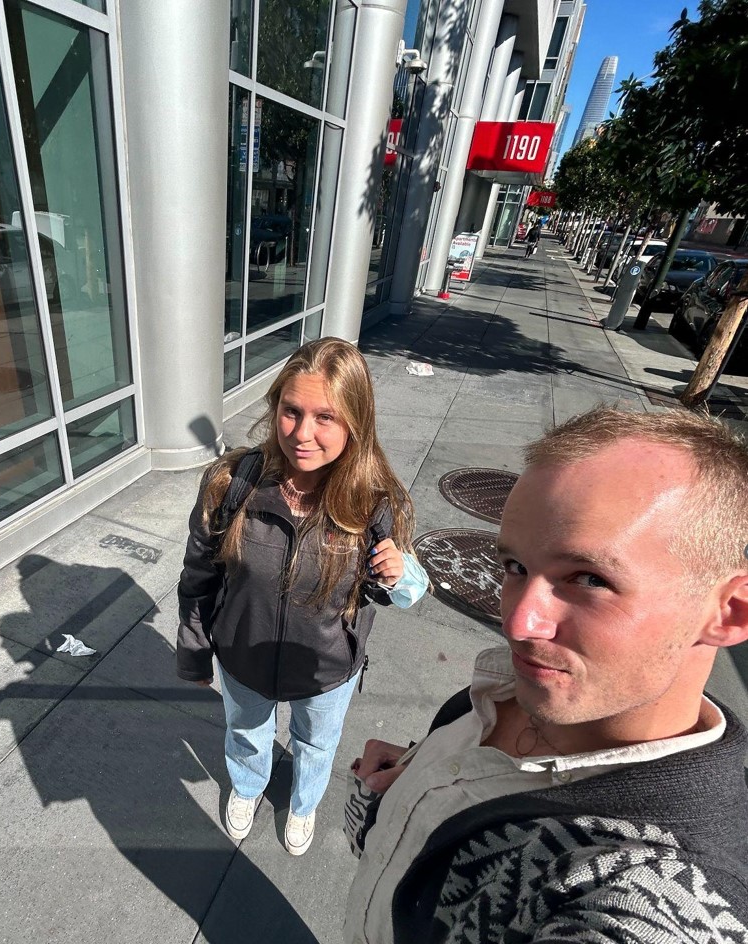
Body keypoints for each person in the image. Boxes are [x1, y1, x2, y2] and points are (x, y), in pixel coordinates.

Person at [345, 406, 748, 943]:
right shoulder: (514, 691)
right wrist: (420, 777)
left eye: (589, 578)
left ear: (730, 613)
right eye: (515, 567)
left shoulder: (651, 888)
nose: (516, 622)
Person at [177, 337, 427, 856]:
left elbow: (407, 593)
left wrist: (399, 573)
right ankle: (247, 787)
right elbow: (199, 574)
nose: (302, 434)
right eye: (292, 411)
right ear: (276, 407)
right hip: (243, 653)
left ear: (355, 422)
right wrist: (195, 650)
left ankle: (304, 803)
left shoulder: (373, 500)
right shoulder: (233, 483)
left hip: (325, 669)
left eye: (325, 418)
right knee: (246, 731)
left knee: (316, 744)